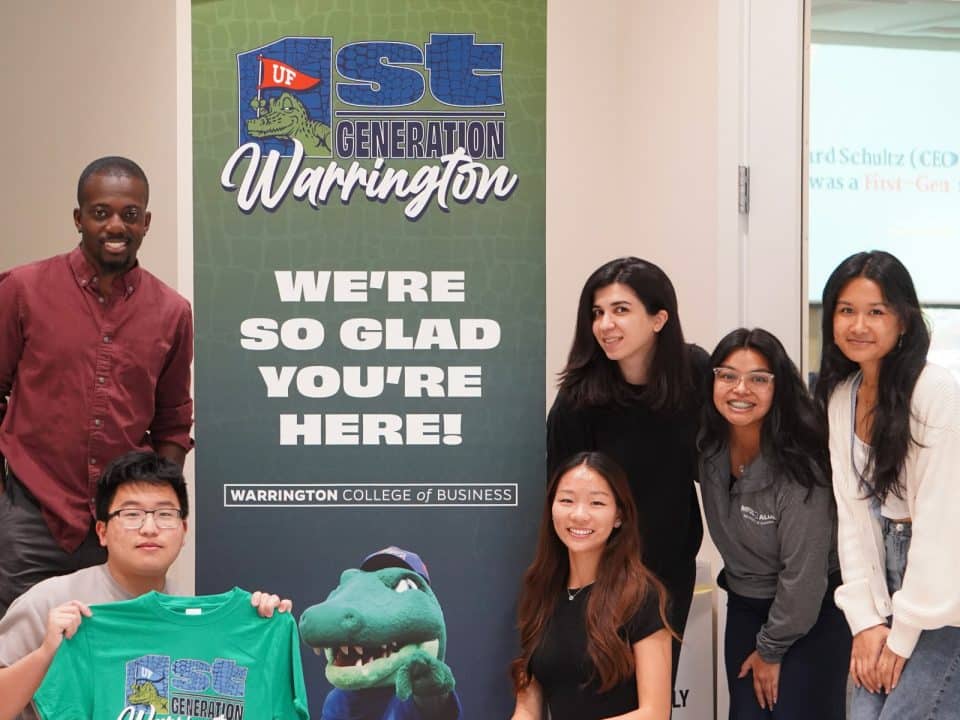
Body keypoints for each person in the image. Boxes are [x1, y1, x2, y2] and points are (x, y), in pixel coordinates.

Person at [0, 156, 194, 616]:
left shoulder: (172, 312)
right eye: (101, 212)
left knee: (118, 665)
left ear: (146, 222)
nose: (115, 225)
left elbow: (173, 422)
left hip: (121, 526)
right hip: (31, 516)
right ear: (78, 218)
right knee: (18, 662)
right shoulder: (22, 290)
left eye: (130, 215)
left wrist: (153, 506)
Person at [0, 451, 290, 720]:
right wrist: (45, 653)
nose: (149, 528)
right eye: (131, 515)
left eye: (165, 515)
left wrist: (259, 622)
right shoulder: (50, 602)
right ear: (102, 531)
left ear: (183, 529)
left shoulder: (189, 612)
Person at [815, 250, 960, 720]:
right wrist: (866, 624)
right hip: (883, 581)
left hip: (944, 594)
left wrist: (902, 636)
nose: (859, 325)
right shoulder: (842, 398)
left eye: (876, 311)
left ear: (903, 320)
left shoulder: (936, 393)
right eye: (846, 310)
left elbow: (941, 528)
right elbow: (853, 519)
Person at [546, 257, 707, 679]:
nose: (605, 325)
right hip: (600, 572)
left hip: (668, 568)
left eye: (621, 310)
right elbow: (560, 500)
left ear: (659, 319)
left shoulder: (695, 374)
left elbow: (719, 458)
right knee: (601, 691)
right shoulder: (578, 399)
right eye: (597, 313)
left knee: (653, 697)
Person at [699, 328, 850, 719]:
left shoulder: (802, 466)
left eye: (758, 379)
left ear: (778, 387)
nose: (740, 389)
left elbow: (804, 576)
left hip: (811, 614)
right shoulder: (708, 448)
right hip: (746, 607)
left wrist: (770, 649)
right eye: (727, 375)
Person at [511, 451, 673, 720]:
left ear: (618, 515)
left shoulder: (641, 596)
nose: (579, 515)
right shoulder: (540, 592)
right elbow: (528, 705)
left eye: (596, 503)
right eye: (566, 500)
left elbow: (654, 713)